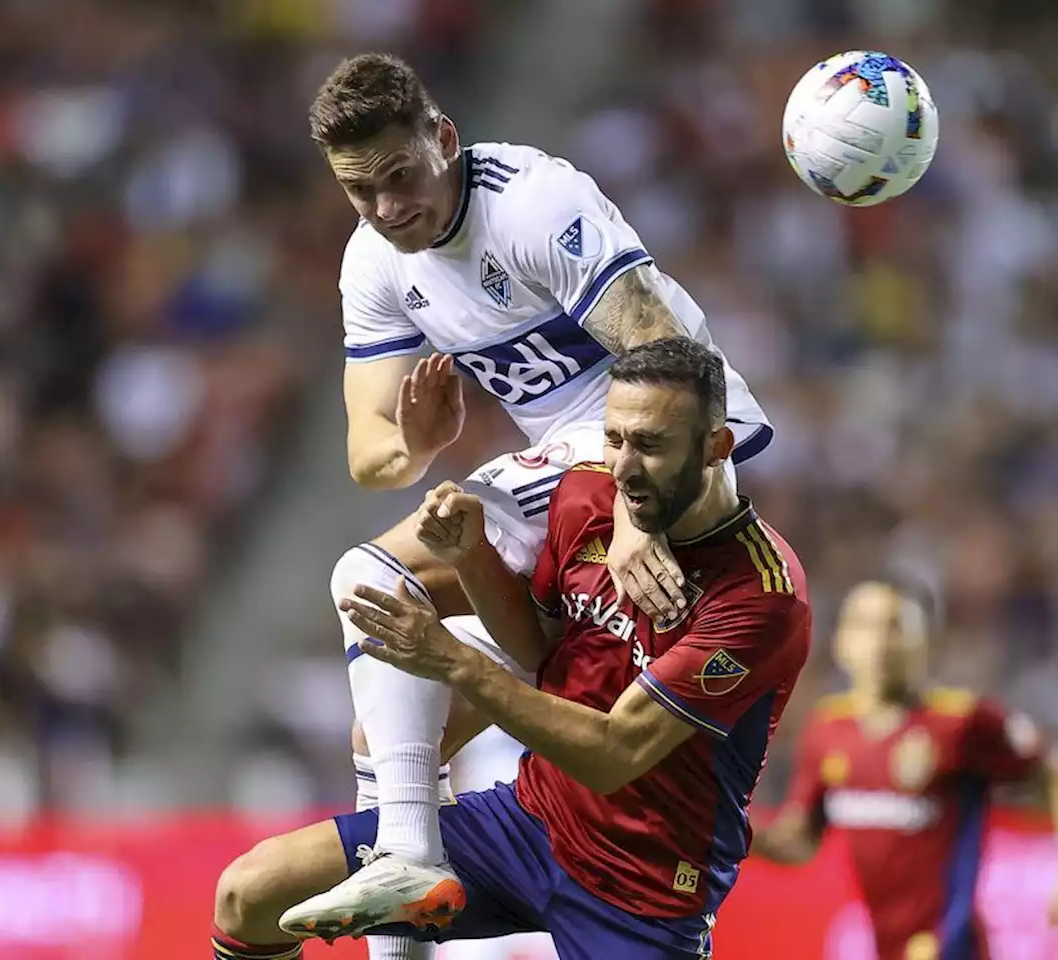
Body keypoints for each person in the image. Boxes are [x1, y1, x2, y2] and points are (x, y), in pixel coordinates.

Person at [303, 49, 774, 955]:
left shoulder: (530, 201)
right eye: (360, 192)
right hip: (566, 471)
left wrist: (639, 511)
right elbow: (371, 454)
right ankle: (406, 916)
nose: (386, 208)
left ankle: (405, 855)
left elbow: (662, 351)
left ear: (443, 139)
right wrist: (420, 443)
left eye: (400, 177)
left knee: (370, 574)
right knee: (394, 736)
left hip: (661, 440)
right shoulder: (374, 260)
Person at [211, 339, 809, 960]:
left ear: (717, 448)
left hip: (644, 893)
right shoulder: (586, 495)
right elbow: (538, 643)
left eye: (651, 446)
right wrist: (472, 555)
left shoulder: (763, 597)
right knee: (249, 893)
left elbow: (614, 751)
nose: (624, 468)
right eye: (614, 438)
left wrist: (451, 659)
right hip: (524, 827)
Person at [752, 579, 1058, 960]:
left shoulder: (961, 723)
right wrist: (733, 833)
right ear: (841, 642)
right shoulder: (827, 730)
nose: (880, 643)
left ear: (926, 642)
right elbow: (799, 841)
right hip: (883, 945)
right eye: (865, 626)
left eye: (896, 626)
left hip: (951, 947)